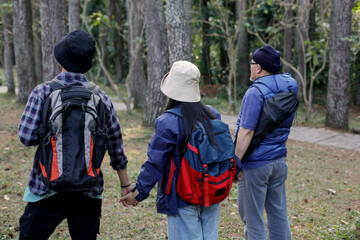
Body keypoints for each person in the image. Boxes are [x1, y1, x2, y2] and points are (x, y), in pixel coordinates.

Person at [17, 30, 132, 240]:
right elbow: (115, 145)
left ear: (60, 60)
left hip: (45, 186)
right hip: (88, 188)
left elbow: (26, 137)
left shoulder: (42, 92)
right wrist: (125, 186)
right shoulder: (101, 98)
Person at [121, 61, 236, 240]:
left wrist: (138, 192)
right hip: (211, 189)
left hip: (181, 195)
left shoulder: (167, 122)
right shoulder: (212, 114)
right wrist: (238, 170)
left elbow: (155, 163)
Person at [234, 45, 297, 240]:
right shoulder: (289, 86)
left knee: (253, 220)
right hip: (279, 161)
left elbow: (247, 131)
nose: (250, 67)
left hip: (256, 165)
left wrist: (235, 161)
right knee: (279, 215)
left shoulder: (255, 92)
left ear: (259, 68)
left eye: (252, 64)